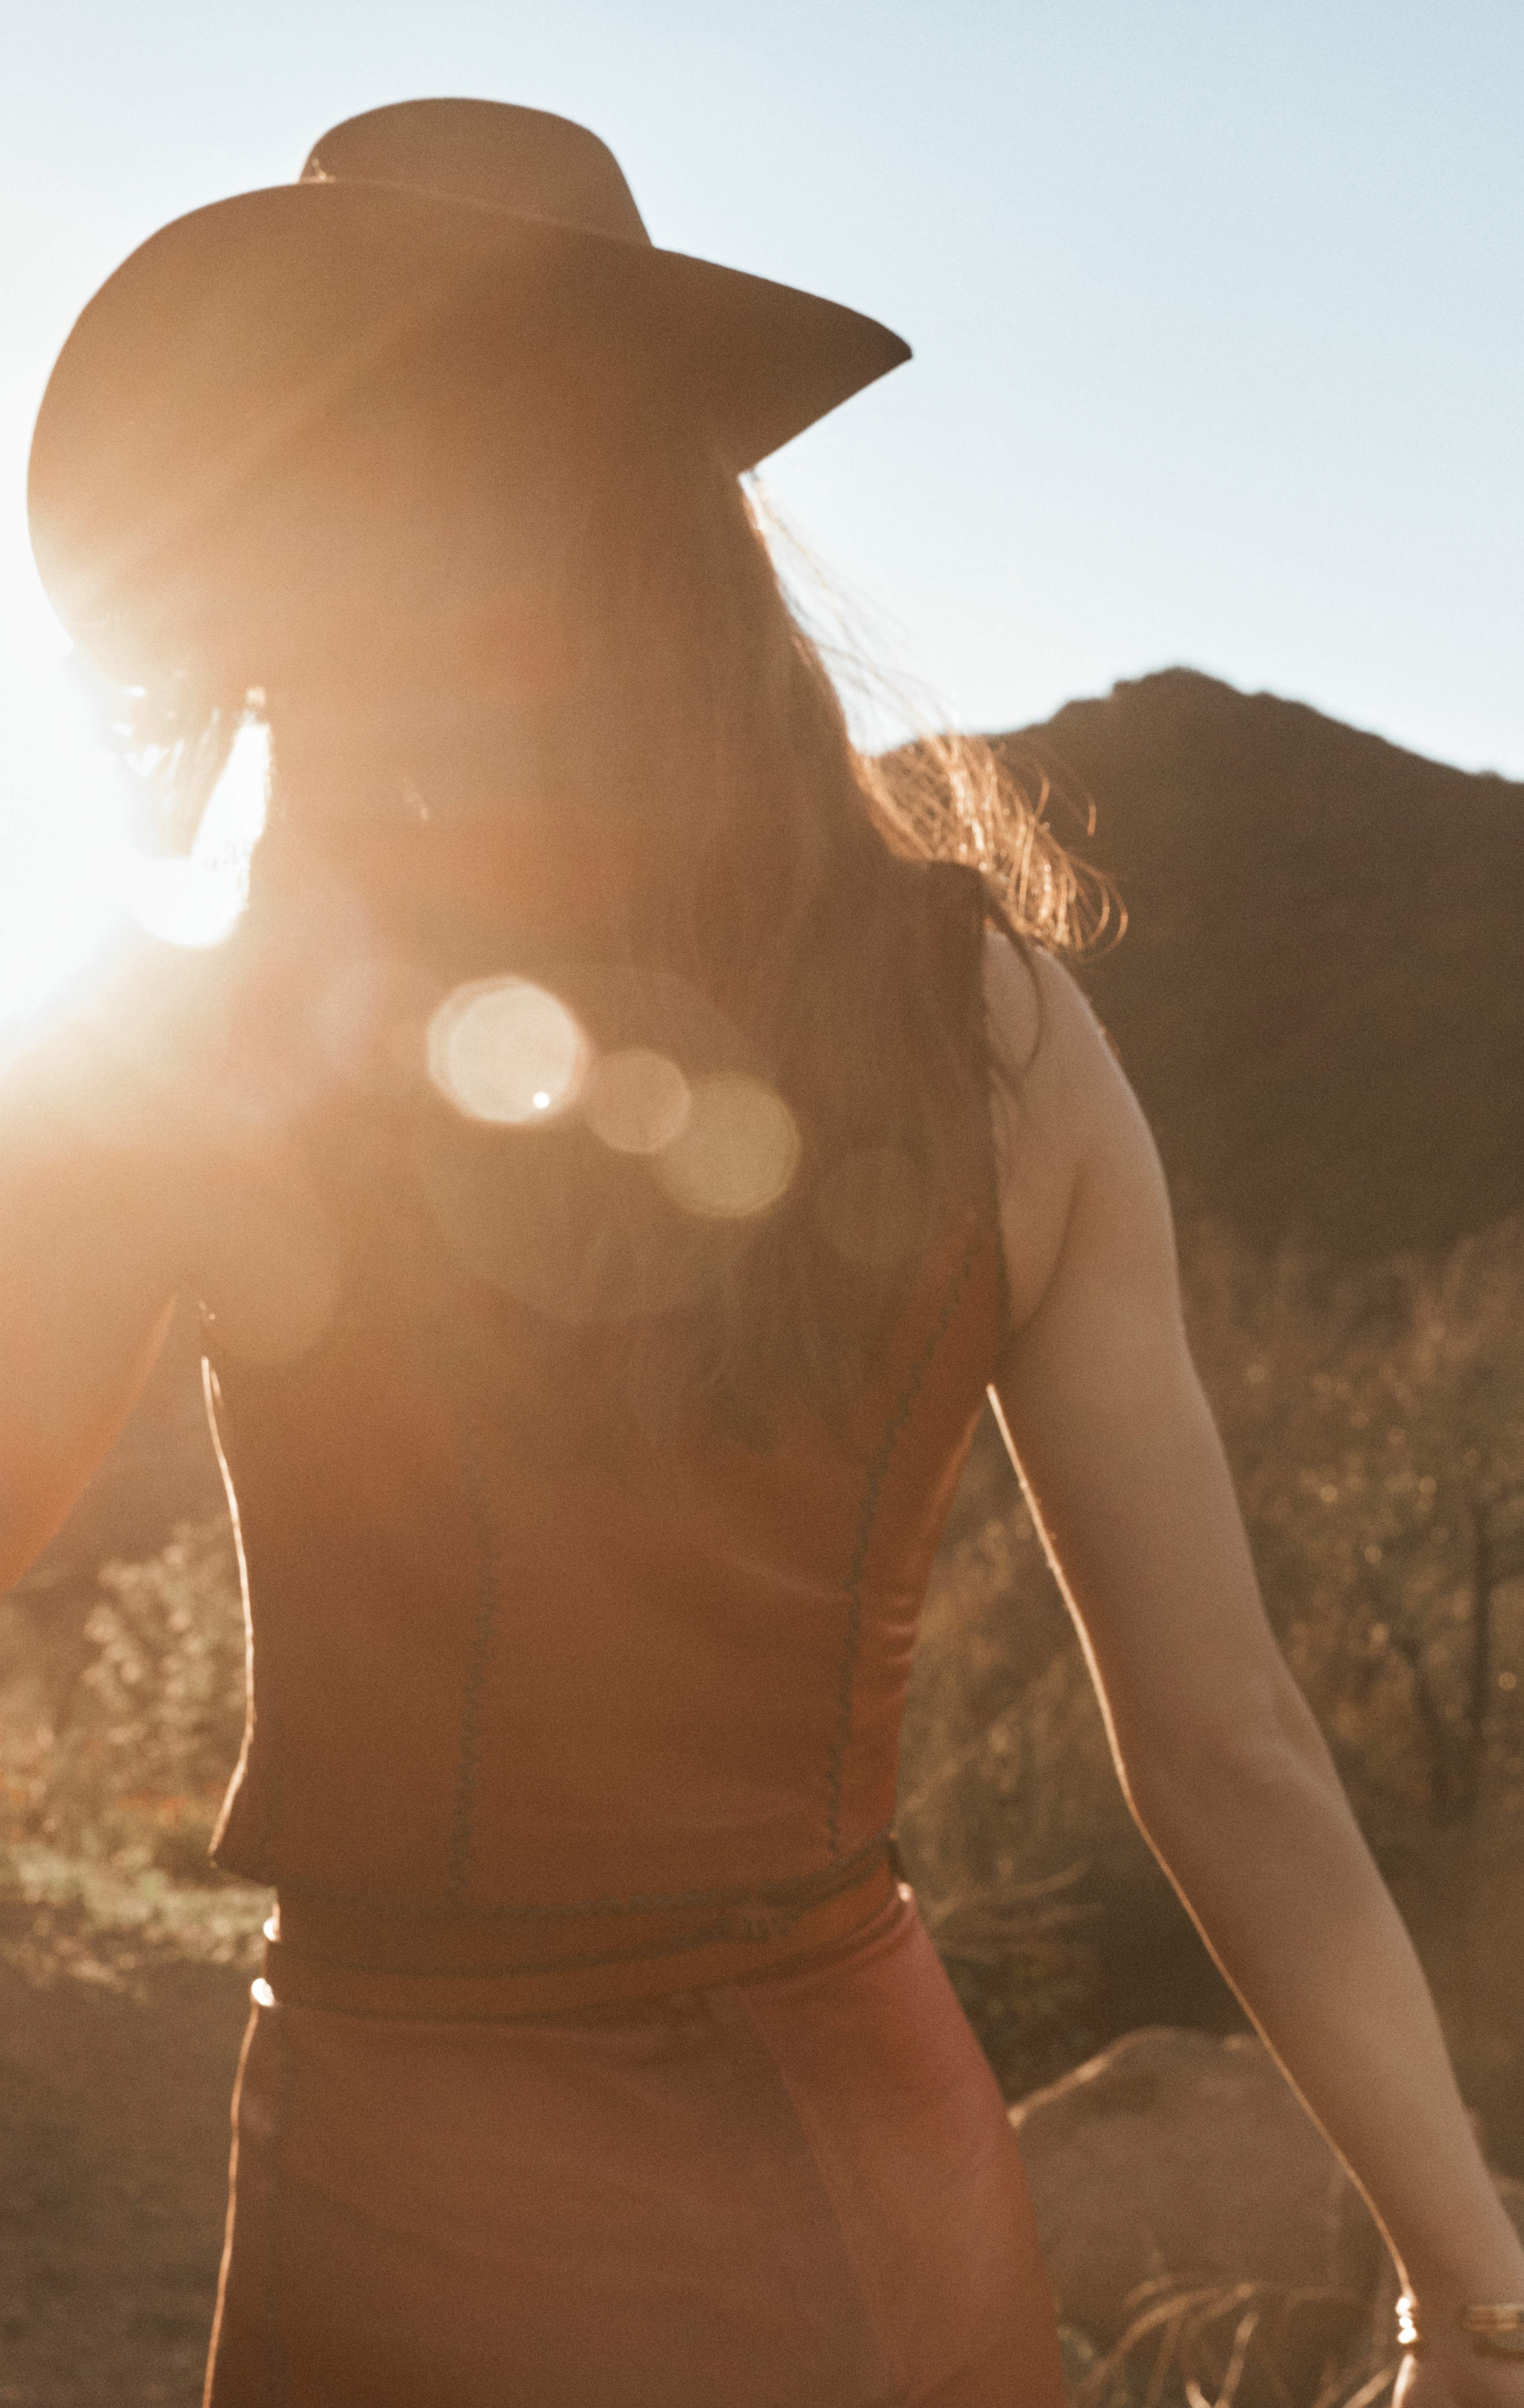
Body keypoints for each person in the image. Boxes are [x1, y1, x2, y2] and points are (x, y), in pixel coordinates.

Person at [6, 96, 1523, 2408]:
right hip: (877, 2222)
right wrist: (1470, 2293)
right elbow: (1226, 1746)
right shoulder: (1001, 1027)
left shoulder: (204, 1040)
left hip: (402, 2223)